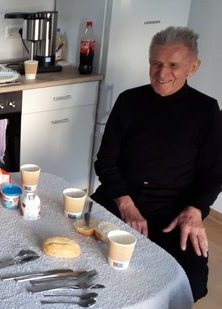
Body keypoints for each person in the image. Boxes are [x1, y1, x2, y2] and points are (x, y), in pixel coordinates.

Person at [91, 26, 222, 302]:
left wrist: (196, 210)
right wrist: (126, 205)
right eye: (156, 63)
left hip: (174, 211)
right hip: (120, 197)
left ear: (193, 67)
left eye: (173, 65)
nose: (162, 74)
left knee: (190, 284)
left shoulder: (206, 110)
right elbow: (105, 160)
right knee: (88, 262)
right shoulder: (129, 100)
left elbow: (214, 174)